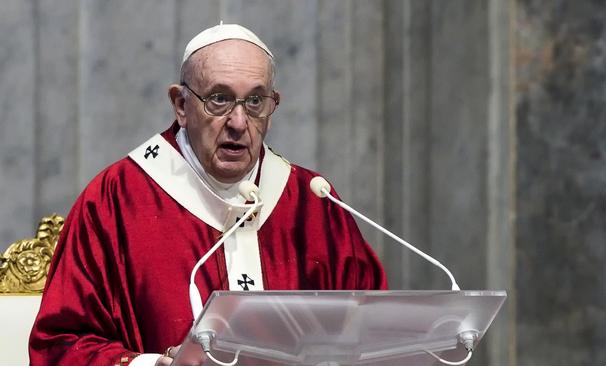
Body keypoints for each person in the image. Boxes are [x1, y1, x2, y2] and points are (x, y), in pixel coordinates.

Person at [28, 23, 387, 366]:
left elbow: (373, 332)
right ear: (181, 106)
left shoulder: (313, 202)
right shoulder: (116, 199)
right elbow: (60, 343)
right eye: (219, 99)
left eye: (256, 101)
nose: (238, 122)